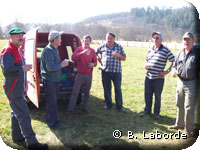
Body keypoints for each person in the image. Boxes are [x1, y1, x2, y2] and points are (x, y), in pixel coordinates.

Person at [0, 28, 48, 150]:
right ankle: (32, 143)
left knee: (15, 112)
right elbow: (7, 70)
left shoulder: (17, 49)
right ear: (11, 37)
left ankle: (16, 136)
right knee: (24, 114)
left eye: (22, 36)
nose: (21, 38)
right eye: (17, 36)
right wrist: (23, 68)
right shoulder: (8, 51)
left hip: (17, 88)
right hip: (13, 89)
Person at [168, 32, 200, 137]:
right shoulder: (180, 53)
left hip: (192, 82)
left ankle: (188, 131)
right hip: (180, 82)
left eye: (188, 39)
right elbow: (174, 66)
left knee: (189, 107)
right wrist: (173, 70)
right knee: (179, 104)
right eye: (184, 39)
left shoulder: (197, 52)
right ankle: (179, 124)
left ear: (193, 41)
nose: (186, 41)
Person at [141, 32, 175, 119]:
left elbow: (174, 61)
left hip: (158, 78)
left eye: (157, 38)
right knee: (147, 95)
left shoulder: (165, 50)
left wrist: (166, 72)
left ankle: (156, 114)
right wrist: (145, 65)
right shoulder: (150, 49)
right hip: (148, 76)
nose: (155, 39)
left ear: (161, 40)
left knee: (157, 96)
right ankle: (147, 111)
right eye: (154, 38)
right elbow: (146, 59)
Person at [40, 31, 69, 130]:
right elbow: (50, 67)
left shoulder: (54, 49)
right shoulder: (48, 50)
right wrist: (62, 64)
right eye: (60, 38)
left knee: (51, 101)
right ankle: (53, 123)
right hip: (50, 80)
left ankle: (49, 118)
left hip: (54, 80)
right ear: (55, 40)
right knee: (52, 102)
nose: (61, 40)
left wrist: (61, 64)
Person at [96, 32, 126, 112]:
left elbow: (124, 58)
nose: (109, 40)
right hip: (105, 71)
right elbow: (95, 52)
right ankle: (108, 104)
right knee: (107, 88)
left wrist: (118, 55)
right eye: (107, 38)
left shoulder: (119, 47)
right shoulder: (102, 46)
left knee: (118, 89)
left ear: (114, 39)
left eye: (110, 38)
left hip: (116, 72)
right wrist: (97, 58)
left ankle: (119, 106)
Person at [67, 35, 97, 113]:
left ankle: (84, 108)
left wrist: (93, 64)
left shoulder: (92, 51)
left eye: (88, 41)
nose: (86, 42)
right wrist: (82, 53)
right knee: (75, 92)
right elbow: (73, 58)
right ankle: (70, 109)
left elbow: (95, 62)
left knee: (87, 92)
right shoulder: (79, 49)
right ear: (83, 41)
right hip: (79, 74)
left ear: (90, 42)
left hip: (89, 75)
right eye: (85, 40)